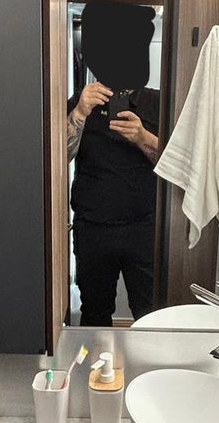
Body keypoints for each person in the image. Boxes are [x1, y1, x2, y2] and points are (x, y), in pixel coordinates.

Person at [67, 80, 160, 326]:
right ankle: (97, 354)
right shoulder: (80, 101)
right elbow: (58, 157)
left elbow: (175, 163)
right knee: (94, 312)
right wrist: (79, 112)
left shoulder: (157, 103)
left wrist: (142, 137)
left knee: (150, 314)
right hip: (93, 229)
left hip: (143, 228)